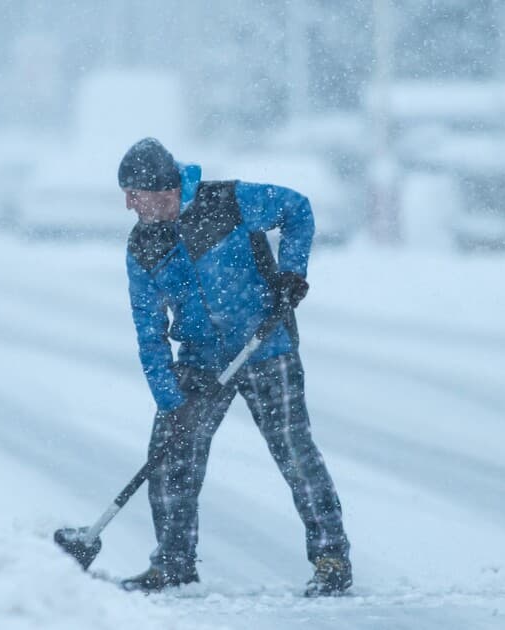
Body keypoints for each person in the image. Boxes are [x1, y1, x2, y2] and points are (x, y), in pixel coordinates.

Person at [115, 138, 351, 596]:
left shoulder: (228, 202)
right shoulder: (143, 245)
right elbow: (148, 329)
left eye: (133, 194)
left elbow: (298, 210)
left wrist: (292, 273)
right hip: (201, 360)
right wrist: (171, 398)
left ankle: (330, 558)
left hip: (266, 347)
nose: (127, 205)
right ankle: (173, 564)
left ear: (163, 190)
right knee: (170, 457)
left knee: (294, 453)